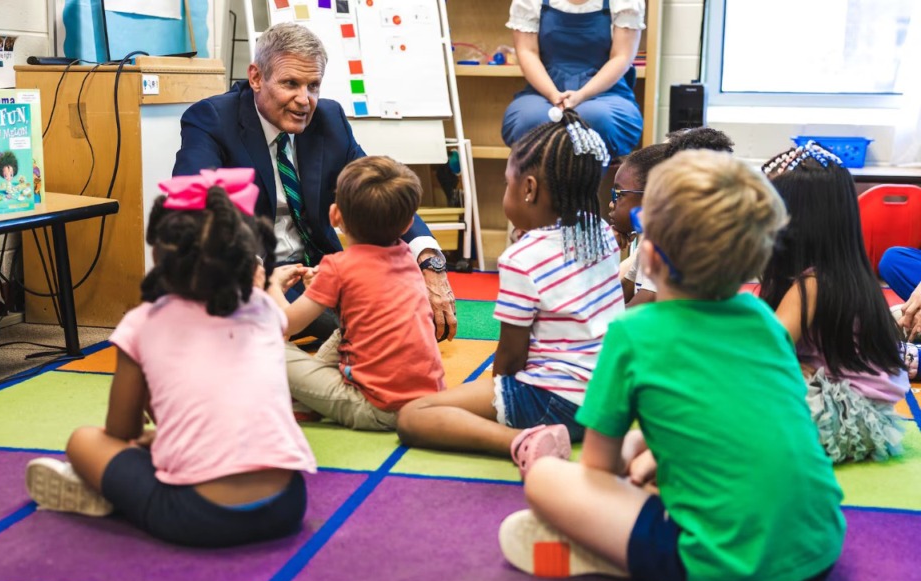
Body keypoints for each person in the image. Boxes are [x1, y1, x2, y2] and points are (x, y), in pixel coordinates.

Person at [498, 150, 846, 581]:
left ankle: (607, 555)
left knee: (545, 478)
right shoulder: (763, 319)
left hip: (723, 572)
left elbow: (598, 473)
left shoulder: (632, 332)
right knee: (646, 445)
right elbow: (746, 426)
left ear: (650, 254)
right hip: (819, 550)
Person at [24, 169, 317, 548]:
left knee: (84, 441)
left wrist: (141, 437)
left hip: (198, 516)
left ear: (158, 255)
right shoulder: (261, 306)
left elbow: (121, 431)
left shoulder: (144, 322)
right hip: (287, 504)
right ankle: (172, 453)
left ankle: (112, 493)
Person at [173, 22, 457, 342]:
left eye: (313, 86)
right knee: (370, 332)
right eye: (290, 83)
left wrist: (430, 262)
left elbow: (380, 193)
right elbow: (192, 200)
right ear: (255, 77)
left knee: (411, 314)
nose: (304, 100)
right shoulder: (212, 118)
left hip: (320, 271)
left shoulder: (329, 119)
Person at [398, 110, 622, 475]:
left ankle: (522, 441)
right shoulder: (600, 234)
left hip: (558, 401)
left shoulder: (522, 258)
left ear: (529, 189)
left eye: (508, 184)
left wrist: (498, 399)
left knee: (414, 416)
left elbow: (510, 359)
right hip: (607, 400)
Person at [270, 156, 446, 431]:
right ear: (407, 224)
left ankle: (310, 399)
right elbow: (363, 304)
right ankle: (311, 397)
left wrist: (272, 287)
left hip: (375, 408)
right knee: (352, 329)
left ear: (335, 215)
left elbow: (287, 324)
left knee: (268, 347)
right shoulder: (407, 258)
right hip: (428, 398)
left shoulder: (338, 268)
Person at [760, 142, 908, 463]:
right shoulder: (839, 273)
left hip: (844, 413)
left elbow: (761, 347)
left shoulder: (812, 284)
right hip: (856, 408)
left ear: (796, 223)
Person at [501, 0, 644, 158]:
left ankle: (585, 181)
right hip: (543, 91)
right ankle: (538, 182)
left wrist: (581, 95)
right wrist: (553, 95)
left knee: (595, 119)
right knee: (529, 120)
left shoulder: (624, 3)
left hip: (606, 92)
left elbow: (621, 57)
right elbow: (527, 52)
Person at [610, 127, 734, 305]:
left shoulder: (674, 244)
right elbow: (623, 291)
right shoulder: (653, 238)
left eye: (618, 194)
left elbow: (644, 302)